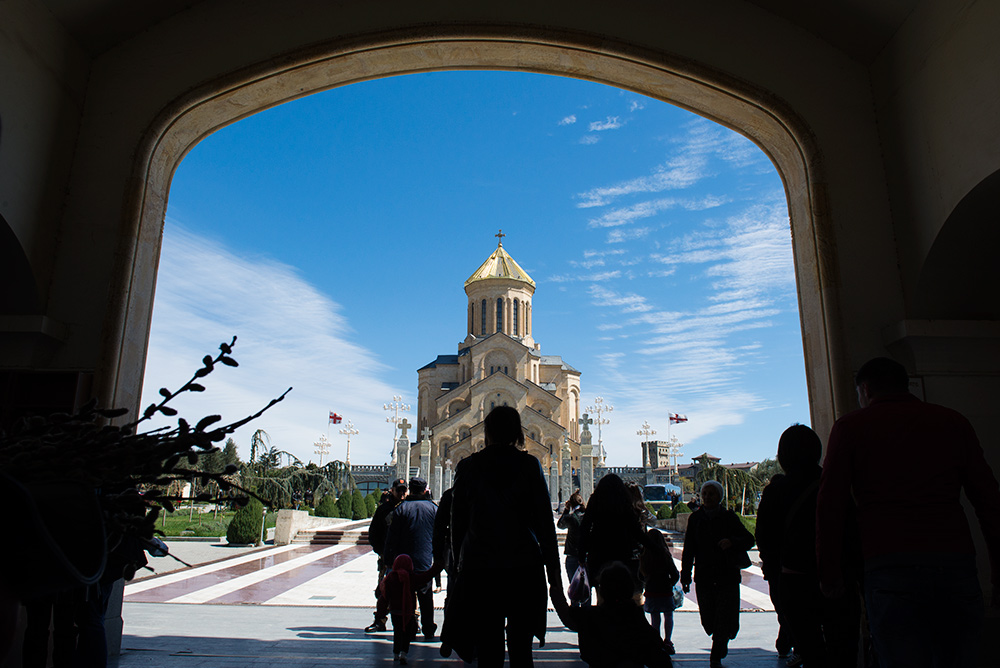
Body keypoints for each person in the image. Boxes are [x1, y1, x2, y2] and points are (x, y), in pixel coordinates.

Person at [817, 357, 1000, 667]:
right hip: (954, 561)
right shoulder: (952, 422)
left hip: (889, 563)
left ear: (865, 389)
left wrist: (829, 573)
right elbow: (988, 500)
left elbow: (830, 505)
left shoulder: (851, 427)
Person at [445, 406, 562, 667]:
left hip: (481, 566)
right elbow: (545, 523)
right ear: (517, 433)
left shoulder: (469, 466)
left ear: (487, 433)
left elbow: (458, 522)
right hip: (522, 566)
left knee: (488, 646)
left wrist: (456, 566)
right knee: (521, 648)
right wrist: (554, 575)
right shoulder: (529, 465)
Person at [758, 425, 860, 668]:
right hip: (837, 580)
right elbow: (853, 533)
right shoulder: (836, 484)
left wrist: (775, 578)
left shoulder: (776, 492)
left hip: (795, 584)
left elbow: (765, 540)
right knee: (843, 651)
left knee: (810, 651)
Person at [680, 480, 755, 668]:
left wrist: (732, 542)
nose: (707, 497)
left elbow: (749, 539)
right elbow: (689, 549)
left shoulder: (729, 517)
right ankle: (720, 639)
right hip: (704, 576)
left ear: (719, 497)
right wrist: (686, 575)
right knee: (708, 618)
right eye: (705, 493)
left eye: (711, 494)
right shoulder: (695, 519)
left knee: (724, 614)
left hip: (726, 575)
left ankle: (716, 651)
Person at [555, 560, 673, 668]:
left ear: (602, 590)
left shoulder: (591, 616)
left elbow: (568, 616)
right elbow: (657, 653)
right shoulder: (635, 618)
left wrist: (555, 586)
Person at [384, 477, 438, 640]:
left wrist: (388, 559)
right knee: (425, 595)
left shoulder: (402, 508)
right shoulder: (433, 508)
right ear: (424, 490)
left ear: (411, 490)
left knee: (406, 595)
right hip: (425, 561)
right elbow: (439, 535)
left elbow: (392, 536)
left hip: (405, 562)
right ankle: (429, 627)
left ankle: (409, 625)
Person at [579, 474, 647, 595]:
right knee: (623, 594)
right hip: (622, 552)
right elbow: (635, 529)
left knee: (602, 595)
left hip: (600, 553)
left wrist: (581, 555)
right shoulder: (624, 501)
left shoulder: (596, 499)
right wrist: (651, 547)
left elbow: (585, 527)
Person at [754, 471, 795, 662]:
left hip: (775, 566)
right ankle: (788, 643)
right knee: (790, 608)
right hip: (794, 564)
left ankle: (786, 643)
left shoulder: (770, 501)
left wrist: (766, 559)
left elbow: (760, 534)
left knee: (782, 606)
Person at [365, 478, 407, 633]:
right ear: (392, 491)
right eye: (399, 490)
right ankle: (380, 620)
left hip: (405, 558)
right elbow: (374, 533)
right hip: (387, 558)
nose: (402, 493)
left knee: (408, 590)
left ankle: (412, 620)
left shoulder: (408, 508)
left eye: (404, 490)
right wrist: (381, 551)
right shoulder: (384, 510)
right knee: (384, 590)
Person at [381, 554, 434, 665]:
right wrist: (436, 568)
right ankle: (403, 654)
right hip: (408, 611)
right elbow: (424, 578)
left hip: (395, 611)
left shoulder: (390, 577)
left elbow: (385, 596)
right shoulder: (410, 577)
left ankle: (395, 653)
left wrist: (381, 612)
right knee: (406, 633)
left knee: (397, 631)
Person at [639, 528, 679, 655]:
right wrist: (670, 583)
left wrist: (646, 582)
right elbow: (675, 574)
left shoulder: (644, 556)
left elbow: (639, 575)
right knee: (668, 615)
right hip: (665, 589)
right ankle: (668, 640)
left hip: (651, 590)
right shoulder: (665, 554)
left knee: (655, 617)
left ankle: (656, 641)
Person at [557, 491, 589, 606]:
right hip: (586, 556)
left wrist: (566, 510)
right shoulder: (588, 517)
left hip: (573, 556)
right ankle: (586, 616)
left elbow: (560, 525)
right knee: (586, 588)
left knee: (574, 588)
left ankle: (575, 617)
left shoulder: (571, 518)